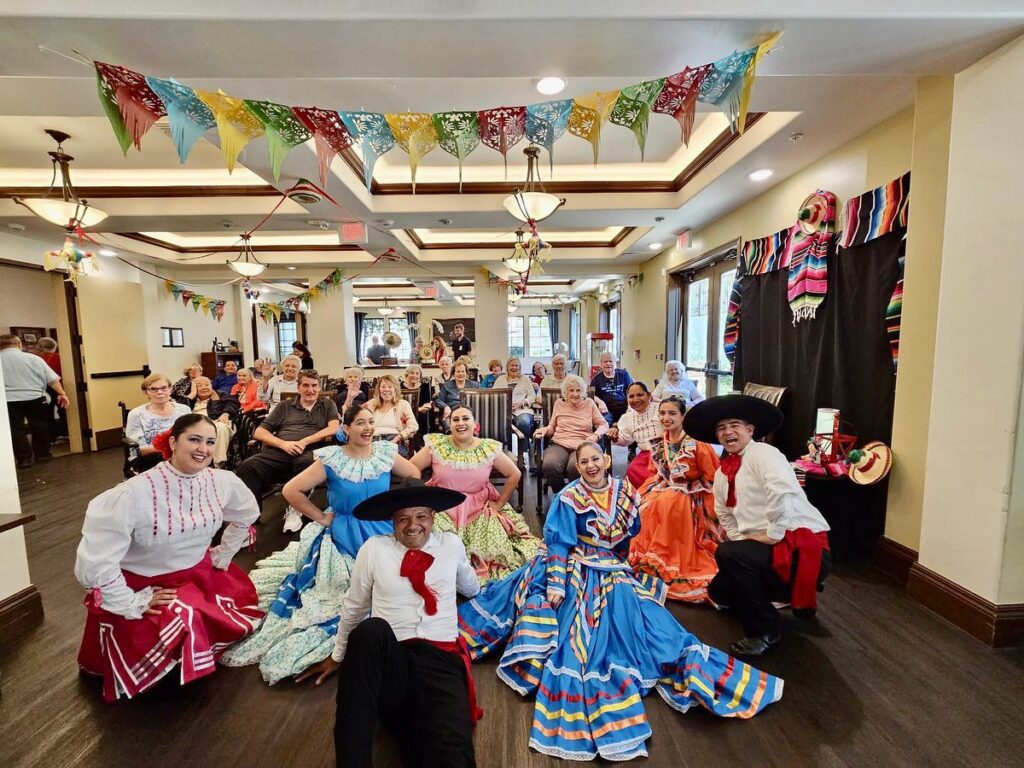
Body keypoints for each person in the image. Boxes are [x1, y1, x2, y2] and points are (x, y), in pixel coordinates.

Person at [459, 441, 782, 762]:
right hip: (574, 563)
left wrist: (621, 566)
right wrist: (556, 584)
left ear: (606, 460)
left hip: (611, 565)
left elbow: (629, 535)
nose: (590, 466)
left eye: (595, 459)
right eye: (583, 461)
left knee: (647, 621)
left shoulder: (625, 491)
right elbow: (558, 544)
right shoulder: (569, 497)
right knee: (577, 633)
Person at [221, 406, 421, 684]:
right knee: (344, 590)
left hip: (382, 527)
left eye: (370, 423)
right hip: (345, 528)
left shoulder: (385, 453)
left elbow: (414, 474)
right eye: (360, 423)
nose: (367, 428)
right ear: (346, 429)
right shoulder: (332, 458)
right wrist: (321, 517)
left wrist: (396, 507)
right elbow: (291, 490)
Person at [75, 414, 261, 702]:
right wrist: (130, 601)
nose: (203, 449)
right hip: (146, 584)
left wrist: (221, 555)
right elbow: (97, 560)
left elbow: (246, 515)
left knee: (219, 615)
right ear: (173, 442)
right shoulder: (134, 493)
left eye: (210, 442)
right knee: (177, 625)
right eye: (194, 439)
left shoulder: (222, 481)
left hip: (198, 574)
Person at [294, 483, 481, 768]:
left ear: (432, 516)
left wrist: (477, 572)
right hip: (393, 661)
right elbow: (354, 606)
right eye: (403, 518)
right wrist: (338, 655)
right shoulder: (375, 549)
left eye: (420, 516)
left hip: (440, 661)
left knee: (452, 753)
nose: (412, 525)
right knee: (371, 630)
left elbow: (471, 587)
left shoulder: (451, 544)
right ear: (392, 521)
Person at [685, 394, 831, 657]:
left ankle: (766, 631)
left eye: (734, 425)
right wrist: (742, 537)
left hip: (799, 547)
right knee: (719, 592)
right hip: (764, 548)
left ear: (750, 430)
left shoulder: (764, 453)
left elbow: (782, 493)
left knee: (729, 554)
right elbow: (723, 512)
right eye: (721, 428)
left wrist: (773, 534)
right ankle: (765, 595)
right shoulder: (722, 473)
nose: (727, 432)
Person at [410, 405, 539, 583]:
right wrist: (420, 493)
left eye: (465, 419)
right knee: (432, 546)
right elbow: (412, 467)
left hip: (478, 507)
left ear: (474, 424)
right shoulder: (437, 445)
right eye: (456, 419)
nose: (460, 423)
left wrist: (499, 503)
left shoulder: (487, 448)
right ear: (450, 424)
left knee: (493, 549)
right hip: (441, 505)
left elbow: (514, 473)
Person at [629, 396, 723, 603]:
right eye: (662, 413)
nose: (666, 418)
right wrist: (660, 485)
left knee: (666, 504)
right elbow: (657, 472)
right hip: (666, 487)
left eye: (672, 413)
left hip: (693, 494)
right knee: (642, 504)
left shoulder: (697, 443)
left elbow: (713, 477)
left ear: (683, 416)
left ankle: (668, 554)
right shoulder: (660, 440)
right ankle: (645, 553)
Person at [235, 370, 340, 532]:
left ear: (319, 388)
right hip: (280, 449)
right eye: (306, 385)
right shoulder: (285, 406)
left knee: (305, 463)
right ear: (298, 387)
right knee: (247, 466)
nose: (310, 390)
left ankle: (296, 508)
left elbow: (334, 428)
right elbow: (259, 432)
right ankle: (250, 517)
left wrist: (305, 441)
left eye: (314, 386)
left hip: (310, 451)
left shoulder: (327, 405)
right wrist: (283, 444)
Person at [1, 333, 70, 468]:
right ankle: (43, 454)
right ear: (19, 344)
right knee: (40, 425)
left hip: (9, 400)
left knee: (16, 429)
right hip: (35, 397)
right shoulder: (34, 359)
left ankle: (24, 459)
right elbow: (53, 380)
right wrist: (62, 394)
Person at [535, 374, 607, 492]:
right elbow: (552, 427)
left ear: (583, 391)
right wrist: (544, 430)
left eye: (578, 390)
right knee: (549, 465)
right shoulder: (559, 404)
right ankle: (561, 496)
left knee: (575, 467)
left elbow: (603, 424)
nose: (575, 394)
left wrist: (595, 435)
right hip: (559, 443)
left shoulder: (589, 403)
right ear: (565, 392)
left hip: (582, 445)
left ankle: (576, 497)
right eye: (571, 390)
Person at [125, 373, 191, 472]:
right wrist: (169, 448)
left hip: (183, 452)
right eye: (153, 389)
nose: (159, 392)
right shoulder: (136, 414)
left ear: (170, 389)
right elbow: (139, 449)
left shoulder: (184, 409)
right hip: (153, 457)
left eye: (164, 388)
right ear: (146, 392)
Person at [608, 382, 661, 488]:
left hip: (663, 451)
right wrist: (615, 438)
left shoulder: (660, 410)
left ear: (649, 395)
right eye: (631, 396)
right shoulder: (627, 418)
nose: (635, 399)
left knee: (656, 475)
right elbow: (626, 440)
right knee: (632, 470)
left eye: (640, 395)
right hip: (644, 454)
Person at [191, 376, 239, 466]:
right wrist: (191, 395)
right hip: (194, 426)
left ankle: (218, 464)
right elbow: (179, 409)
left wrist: (226, 414)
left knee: (221, 427)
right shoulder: (190, 400)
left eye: (207, 384)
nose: (204, 387)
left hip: (216, 422)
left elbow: (233, 404)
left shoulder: (221, 395)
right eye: (199, 385)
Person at [366, 374, 418, 457]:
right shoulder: (371, 404)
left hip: (395, 441)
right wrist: (349, 399)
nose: (386, 390)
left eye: (390, 387)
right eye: (383, 387)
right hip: (373, 442)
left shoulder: (403, 404)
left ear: (395, 389)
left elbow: (413, 426)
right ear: (379, 389)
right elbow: (353, 416)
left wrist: (398, 438)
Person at [493, 357, 538, 446]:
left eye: (516, 365)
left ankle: (523, 452)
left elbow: (532, 396)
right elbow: (494, 395)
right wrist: (505, 404)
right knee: (497, 423)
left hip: (522, 409)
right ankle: (504, 450)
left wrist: (521, 403)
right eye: (512, 365)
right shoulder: (500, 379)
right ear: (507, 367)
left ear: (520, 367)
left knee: (523, 422)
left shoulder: (525, 379)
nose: (514, 368)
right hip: (504, 410)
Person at [34, 336, 67, 442]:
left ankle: (51, 436)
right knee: (63, 411)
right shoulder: (59, 357)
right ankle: (64, 432)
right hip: (58, 387)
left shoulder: (35, 359)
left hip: (42, 389)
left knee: (47, 413)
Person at [590, 352, 634, 427]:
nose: (608, 364)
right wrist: (600, 402)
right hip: (607, 409)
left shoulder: (624, 374)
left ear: (615, 363)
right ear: (601, 364)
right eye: (605, 361)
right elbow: (590, 394)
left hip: (624, 407)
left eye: (610, 361)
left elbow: (632, 390)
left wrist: (630, 406)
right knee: (602, 425)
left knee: (630, 422)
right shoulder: (596, 379)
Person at [434, 359, 479, 431]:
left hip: (470, 414)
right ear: (453, 374)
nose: (460, 374)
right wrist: (445, 407)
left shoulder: (475, 385)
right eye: (458, 371)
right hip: (452, 414)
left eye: (463, 371)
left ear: (466, 373)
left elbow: (481, 399)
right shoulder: (447, 385)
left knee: (475, 427)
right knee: (449, 427)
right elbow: (439, 400)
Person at [401, 363, 433, 434]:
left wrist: (421, 409)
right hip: (405, 414)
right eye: (412, 373)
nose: (414, 376)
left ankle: (422, 441)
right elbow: (400, 405)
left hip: (421, 413)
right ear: (407, 374)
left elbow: (427, 403)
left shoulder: (425, 386)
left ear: (420, 376)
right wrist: (418, 409)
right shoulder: (400, 386)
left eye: (417, 373)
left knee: (424, 415)